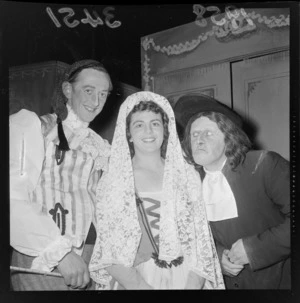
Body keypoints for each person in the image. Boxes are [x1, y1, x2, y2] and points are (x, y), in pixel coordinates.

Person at [89, 91, 225, 290]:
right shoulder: (113, 181)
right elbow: (108, 252)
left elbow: (201, 243)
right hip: (135, 280)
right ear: (128, 133)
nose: (149, 131)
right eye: (139, 125)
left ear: (165, 128)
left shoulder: (186, 175)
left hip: (187, 277)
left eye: (155, 123)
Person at [10, 59, 112, 290]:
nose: (96, 102)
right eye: (88, 90)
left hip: (91, 261)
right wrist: (61, 254)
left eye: (103, 94)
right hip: (44, 257)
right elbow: (12, 196)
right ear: (68, 89)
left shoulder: (102, 147)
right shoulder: (35, 128)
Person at [174, 93, 290, 289]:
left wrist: (254, 249)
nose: (199, 140)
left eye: (208, 133)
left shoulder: (264, 164)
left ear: (228, 138)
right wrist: (218, 256)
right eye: (194, 134)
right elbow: (198, 235)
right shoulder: (191, 182)